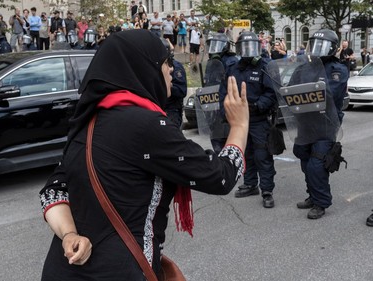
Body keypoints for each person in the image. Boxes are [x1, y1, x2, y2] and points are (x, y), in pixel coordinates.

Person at [39, 29, 248, 280]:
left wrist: (69, 235)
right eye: (165, 62)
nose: (171, 69)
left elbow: (54, 189)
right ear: (142, 67)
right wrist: (239, 126)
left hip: (63, 269)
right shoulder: (144, 125)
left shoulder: (87, 119)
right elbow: (220, 176)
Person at [293, 29, 348, 219]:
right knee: (305, 160)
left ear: (333, 48)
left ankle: (321, 202)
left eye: (323, 46)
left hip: (325, 123)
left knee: (317, 163)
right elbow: (291, 89)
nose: (318, 50)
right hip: (305, 122)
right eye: (315, 45)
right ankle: (312, 195)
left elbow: (333, 96)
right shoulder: (304, 67)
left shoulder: (337, 70)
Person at [219, 31, 277, 208]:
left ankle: (266, 189)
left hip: (258, 119)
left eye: (250, 47)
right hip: (239, 121)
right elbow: (224, 91)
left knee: (262, 155)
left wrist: (258, 105)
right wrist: (226, 111)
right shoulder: (233, 68)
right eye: (243, 47)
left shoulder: (265, 67)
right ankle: (251, 184)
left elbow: (272, 93)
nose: (247, 51)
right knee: (246, 154)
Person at [162, 38, 187, 129]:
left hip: (172, 111)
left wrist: (169, 85)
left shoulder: (175, 67)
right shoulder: (157, 65)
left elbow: (182, 91)